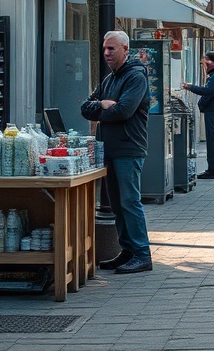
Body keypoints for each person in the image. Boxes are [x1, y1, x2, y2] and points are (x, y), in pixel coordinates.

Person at [81, 30, 153, 274]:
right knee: (117, 205)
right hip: (109, 149)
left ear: (125, 49)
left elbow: (124, 111)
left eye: (112, 49)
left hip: (128, 148)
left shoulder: (135, 77)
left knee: (129, 201)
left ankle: (142, 254)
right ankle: (128, 250)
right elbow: (85, 107)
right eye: (104, 49)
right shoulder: (109, 79)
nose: (107, 53)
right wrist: (102, 104)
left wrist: (104, 109)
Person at [183, 52, 214, 179]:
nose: (204, 65)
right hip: (212, 111)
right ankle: (212, 169)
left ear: (212, 61)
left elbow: (208, 91)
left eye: (205, 61)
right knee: (212, 140)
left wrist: (190, 87)